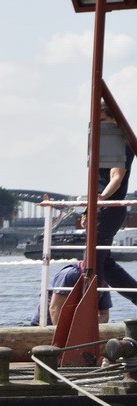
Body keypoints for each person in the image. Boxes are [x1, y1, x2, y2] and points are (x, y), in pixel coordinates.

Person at [84, 102, 137, 307]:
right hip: (104, 208)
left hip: (108, 208)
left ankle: (89, 305)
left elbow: (116, 177)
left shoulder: (120, 145)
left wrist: (100, 200)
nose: (101, 126)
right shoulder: (105, 146)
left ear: (115, 120)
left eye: (103, 121)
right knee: (104, 262)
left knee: (93, 262)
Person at [31, 260, 110, 325]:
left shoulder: (103, 283)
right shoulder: (69, 275)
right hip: (47, 324)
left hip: (77, 325)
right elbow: (54, 308)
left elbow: (104, 314)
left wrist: (87, 326)